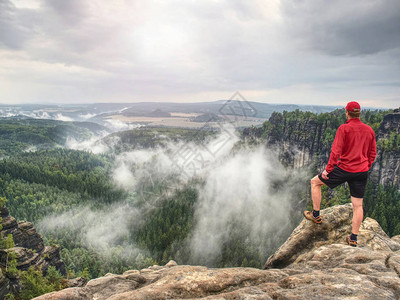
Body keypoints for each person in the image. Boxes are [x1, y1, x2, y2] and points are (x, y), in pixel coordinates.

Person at [303, 101, 377, 247]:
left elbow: (335, 152)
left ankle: (316, 215)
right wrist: (365, 166)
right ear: (359, 113)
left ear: (347, 113)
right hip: (361, 172)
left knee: (315, 182)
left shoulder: (344, 128)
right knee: (357, 206)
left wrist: (328, 170)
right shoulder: (369, 130)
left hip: (344, 169)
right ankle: (353, 238)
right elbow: (373, 153)